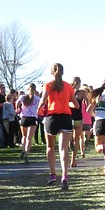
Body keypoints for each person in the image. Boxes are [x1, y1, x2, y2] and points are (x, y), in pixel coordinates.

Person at [37, 63, 79, 191]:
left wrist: (39, 108)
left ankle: (53, 174)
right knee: (63, 148)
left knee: (50, 146)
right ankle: (65, 176)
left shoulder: (48, 85)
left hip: (52, 117)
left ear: (51, 72)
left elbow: (43, 100)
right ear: (63, 72)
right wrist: (67, 103)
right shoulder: (68, 86)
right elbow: (76, 105)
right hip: (65, 118)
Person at [16, 83, 40, 163]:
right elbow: (42, 105)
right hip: (32, 118)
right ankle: (26, 154)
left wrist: (17, 109)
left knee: (24, 136)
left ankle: (23, 149)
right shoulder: (37, 98)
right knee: (29, 138)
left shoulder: (23, 97)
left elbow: (17, 102)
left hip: (24, 118)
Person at [69, 76, 88, 167]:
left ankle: (69, 140)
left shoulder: (68, 92)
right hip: (78, 118)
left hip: (68, 117)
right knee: (77, 139)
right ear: (80, 83)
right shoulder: (82, 93)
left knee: (68, 136)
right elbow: (87, 104)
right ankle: (73, 160)